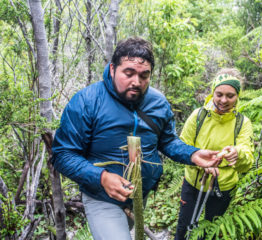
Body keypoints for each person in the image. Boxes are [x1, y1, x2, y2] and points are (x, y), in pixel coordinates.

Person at [51, 37, 221, 240]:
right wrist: (102, 178)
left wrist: (193, 155)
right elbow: (62, 154)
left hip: (140, 195)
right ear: (113, 69)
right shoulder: (87, 101)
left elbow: (166, 141)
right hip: (101, 195)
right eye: (128, 73)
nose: (136, 82)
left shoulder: (158, 102)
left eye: (144, 75)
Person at [175, 69, 255, 240]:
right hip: (193, 182)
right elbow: (181, 147)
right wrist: (200, 161)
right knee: (183, 226)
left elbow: (247, 159)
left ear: (237, 96)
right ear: (213, 93)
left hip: (223, 186)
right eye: (219, 94)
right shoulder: (199, 116)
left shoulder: (242, 123)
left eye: (230, 95)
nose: (224, 100)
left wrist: (237, 154)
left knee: (209, 230)